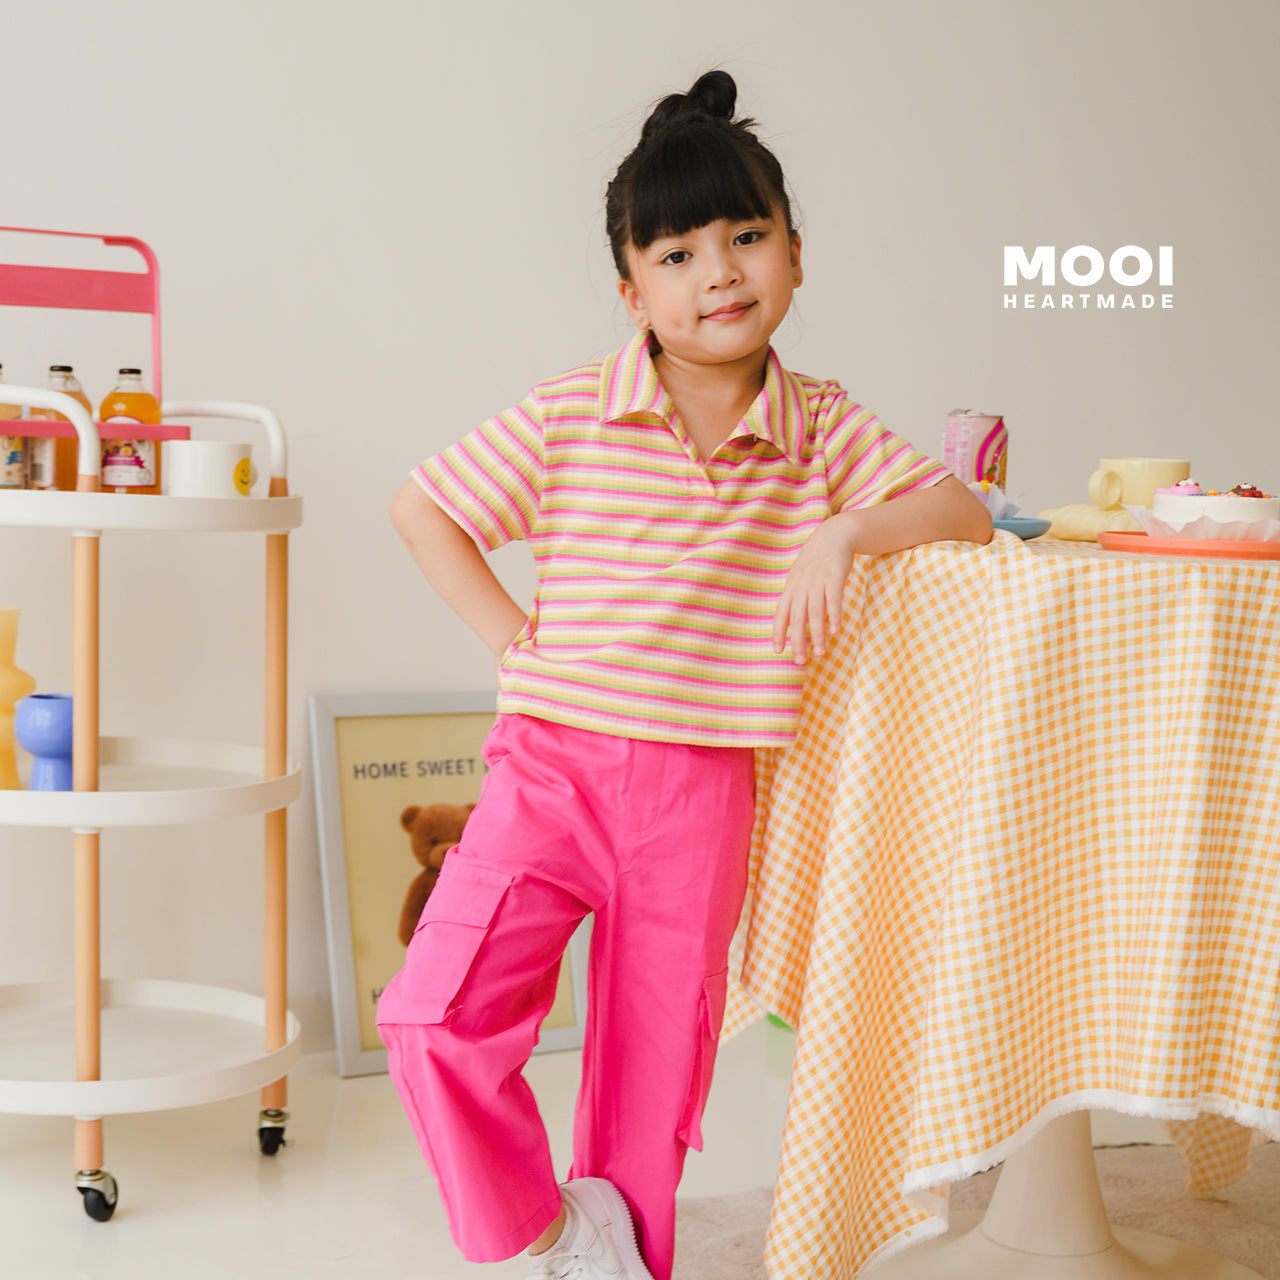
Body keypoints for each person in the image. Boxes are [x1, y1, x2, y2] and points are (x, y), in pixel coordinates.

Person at [377, 69, 992, 1280]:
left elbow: (962, 509)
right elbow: (421, 508)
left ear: (794, 253)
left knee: (648, 1085)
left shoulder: (820, 427)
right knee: (433, 1017)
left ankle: (622, 1262)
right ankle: (554, 1234)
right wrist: (511, 637)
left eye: (745, 236)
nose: (717, 272)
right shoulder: (570, 414)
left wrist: (844, 529)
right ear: (631, 291)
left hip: (700, 794)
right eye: (675, 253)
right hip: (549, 772)